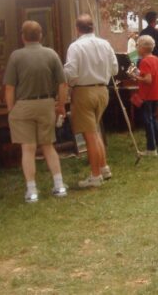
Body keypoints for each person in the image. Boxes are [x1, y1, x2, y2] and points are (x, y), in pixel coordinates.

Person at [4, 21, 68, 203]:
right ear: (41, 36)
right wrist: (61, 104)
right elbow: (62, 84)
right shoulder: (51, 54)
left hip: (23, 105)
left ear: (22, 37)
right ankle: (59, 185)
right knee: (48, 145)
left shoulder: (16, 56)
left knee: (28, 148)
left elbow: (9, 87)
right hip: (46, 103)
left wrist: (11, 110)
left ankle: (32, 191)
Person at [64, 14, 118, 188]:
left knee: (89, 135)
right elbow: (115, 69)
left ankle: (95, 176)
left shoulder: (75, 46)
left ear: (77, 29)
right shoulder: (105, 44)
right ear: (93, 27)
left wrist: (67, 84)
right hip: (103, 89)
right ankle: (104, 168)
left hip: (84, 91)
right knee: (95, 130)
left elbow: (70, 72)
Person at [133, 35, 158, 156]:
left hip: (147, 95)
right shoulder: (157, 60)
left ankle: (151, 148)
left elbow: (148, 80)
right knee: (153, 119)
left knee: (148, 121)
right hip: (156, 93)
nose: (136, 48)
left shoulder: (144, 61)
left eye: (137, 46)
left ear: (142, 48)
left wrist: (135, 77)